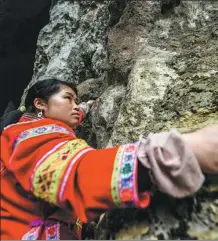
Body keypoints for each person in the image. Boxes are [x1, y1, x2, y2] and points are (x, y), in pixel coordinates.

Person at [0, 78, 218, 240]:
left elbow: (76, 113)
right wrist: (180, 150)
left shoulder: (21, 135)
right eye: (68, 98)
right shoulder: (30, 134)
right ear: (40, 104)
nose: (76, 105)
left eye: (78, 101)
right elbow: (77, 175)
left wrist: (88, 106)